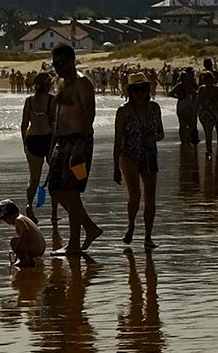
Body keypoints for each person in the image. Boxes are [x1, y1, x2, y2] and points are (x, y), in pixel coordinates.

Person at [47, 46, 104, 255]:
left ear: (72, 61)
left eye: (62, 63)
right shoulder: (61, 83)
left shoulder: (82, 82)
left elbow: (90, 114)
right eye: (55, 65)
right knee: (55, 189)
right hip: (61, 142)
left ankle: (74, 244)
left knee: (71, 191)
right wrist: (52, 144)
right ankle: (89, 227)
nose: (59, 68)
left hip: (79, 141)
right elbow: (58, 117)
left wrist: (81, 142)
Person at [112, 71, 164, 248]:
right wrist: (115, 167)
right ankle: (131, 225)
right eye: (136, 90)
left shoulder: (154, 108)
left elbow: (161, 133)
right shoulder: (123, 111)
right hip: (128, 155)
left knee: (150, 196)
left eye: (143, 89)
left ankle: (148, 237)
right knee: (135, 194)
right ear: (130, 92)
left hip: (150, 154)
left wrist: (153, 138)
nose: (140, 93)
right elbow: (118, 140)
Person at [19, 72, 55, 223]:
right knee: (54, 177)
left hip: (32, 140)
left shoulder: (29, 101)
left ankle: (29, 206)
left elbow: (24, 125)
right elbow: (55, 124)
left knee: (34, 178)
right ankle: (54, 213)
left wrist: (25, 144)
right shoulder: (52, 100)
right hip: (48, 139)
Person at [0, 199, 46, 268]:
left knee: (14, 242)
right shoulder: (23, 218)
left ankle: (23, 261)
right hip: (40, 248)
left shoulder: (18, 220)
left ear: (8, 216)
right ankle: (29, 260)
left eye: (5, 220)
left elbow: (26, 231)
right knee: (21, 240)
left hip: (36, 248)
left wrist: (18, 246)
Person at [197, 70, 218, 154]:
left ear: (211, 79)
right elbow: (198, 101)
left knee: (208, 131)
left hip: (213, 113)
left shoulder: (216, 89)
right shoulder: (201, 89)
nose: (206, 80)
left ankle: (208, 150)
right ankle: (208, 149)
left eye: (208, 79)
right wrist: (195, 112)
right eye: (205, 79)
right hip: (203, 113)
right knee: (207, 131)